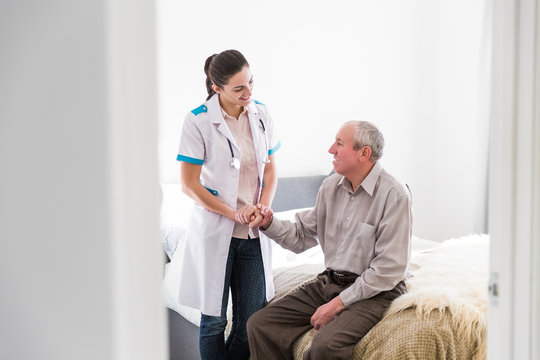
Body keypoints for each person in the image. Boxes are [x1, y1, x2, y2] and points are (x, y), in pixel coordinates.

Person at [246, 121, 412, 360]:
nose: (330, 149)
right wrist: (267, 222)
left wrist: (337, 304)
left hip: (376, 291)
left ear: (364, 153)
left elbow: (388, 270)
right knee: (259, 325)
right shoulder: (330, 186)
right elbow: (301, 236)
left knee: (326, 346)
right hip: (331, 281)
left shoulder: (394, 194)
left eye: (339, 143)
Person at [175, 49, 281, 360]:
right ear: (216, 87)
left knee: (250, 323)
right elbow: (189, 184)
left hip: (252, 235)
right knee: (214, 321)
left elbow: (271, 166)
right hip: (216, 231)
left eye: (251, 83)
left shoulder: (261, 114)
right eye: (239, 88)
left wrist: (262, 207)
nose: (249, 93)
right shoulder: (198, 121)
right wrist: (233, 213)